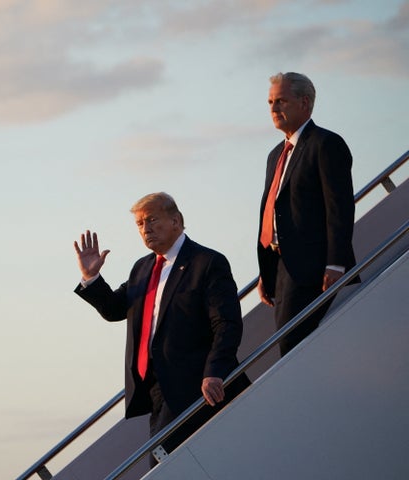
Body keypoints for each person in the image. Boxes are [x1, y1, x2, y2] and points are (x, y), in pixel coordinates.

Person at [73, 192, 249, 464]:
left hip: (196, 386)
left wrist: (215, 372)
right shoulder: (141, 269)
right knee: (170, 464)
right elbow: (114, 309)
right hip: (157, 390)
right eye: (140, 224)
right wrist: (91, 277)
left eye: (153, 219)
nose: (146, 229)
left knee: (164, 465)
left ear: (176, 221)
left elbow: (226, 323)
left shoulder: (207, 263)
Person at [257, 72, 357, 356]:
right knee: (290, 346)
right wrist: (268, 269)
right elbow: (273, 213)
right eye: (270, 102)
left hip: (314, 268)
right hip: (282, 268)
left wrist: (336, 264)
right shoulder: (276, 154)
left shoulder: (325, 144)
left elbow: (339, 208)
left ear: (305, 102)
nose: (274, 108)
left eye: (281, 101)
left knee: (294, 347)